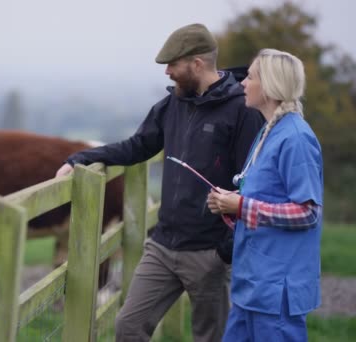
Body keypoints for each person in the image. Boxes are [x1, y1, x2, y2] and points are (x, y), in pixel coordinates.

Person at [56, 23, 265, 341]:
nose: (166, 72)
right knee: (128, 327)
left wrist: (224, 252)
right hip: (163, 247)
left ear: (196, 64)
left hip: (210, 252)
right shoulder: (172, 105)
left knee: (211, 337)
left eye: (172, 65)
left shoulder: (242, 111)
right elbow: (137, 146)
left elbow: (252, 182)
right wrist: (81, 157)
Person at [207, 49, 323, 341]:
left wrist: (242, 205)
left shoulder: (296, 137)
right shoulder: (268, 131)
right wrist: (229, 204)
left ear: (270, 86)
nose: (243, 83)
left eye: (251, 76)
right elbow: (267, 195)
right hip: (252, 287)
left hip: (276, 294)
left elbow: (308, 212)